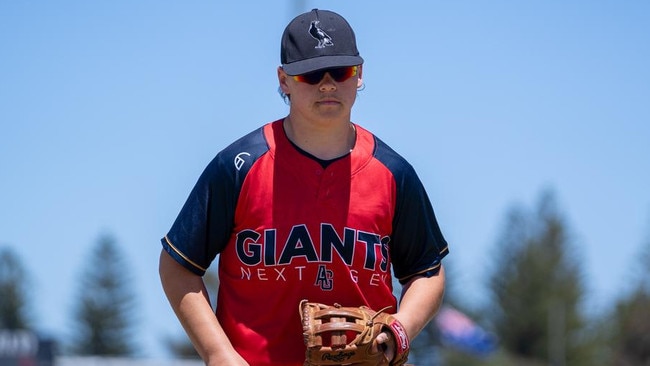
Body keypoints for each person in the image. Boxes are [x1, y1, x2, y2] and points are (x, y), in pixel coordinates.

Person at [159, 8, 449, 366]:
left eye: (341, 71)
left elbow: (427, 272)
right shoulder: (238, 167)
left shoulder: (393, 172)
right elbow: (177, 266)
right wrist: (219, 354)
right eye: (311, 74)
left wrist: (400, 330)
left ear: (359, 75)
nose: (328, 83)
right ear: (283, 80)